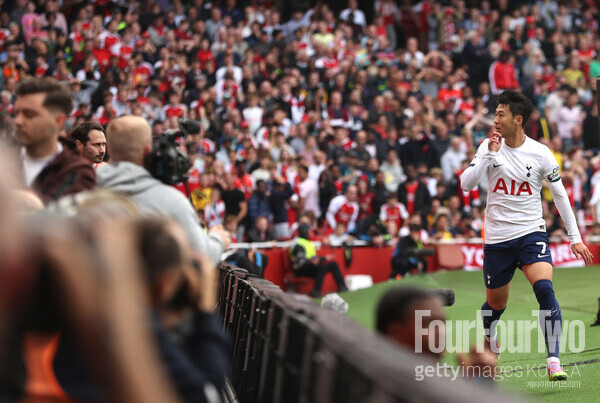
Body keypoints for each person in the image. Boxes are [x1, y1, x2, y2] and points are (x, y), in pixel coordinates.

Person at [461, 90, 594, 381]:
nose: (495, 119)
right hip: (497, 239)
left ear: (517, 119)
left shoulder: (541, 153)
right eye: (495, 113)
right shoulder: (487, 146)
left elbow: (560, 197)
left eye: (500, 114)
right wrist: (489, 156)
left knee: (545, 289)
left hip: (530, 233)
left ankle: (554, 360)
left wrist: (575, 237)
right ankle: (491, 338)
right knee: (495, 305)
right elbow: (466, 184)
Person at [96, 116, 230, 264]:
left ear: (108, 148)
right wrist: (218, 239)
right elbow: (202, 255)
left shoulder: (85, 189)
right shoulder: (170, 201)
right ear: (148, 149)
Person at [15, 77, 95, 204]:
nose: (18, 121)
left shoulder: (79, 174)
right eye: (16, 113)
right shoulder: (5, 163)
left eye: (29, 114)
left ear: (58, 121)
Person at [289, 223, 348, 298]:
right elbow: (301, 262)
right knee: (321, 268)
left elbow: (313, 258)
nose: (311, 233)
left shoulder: (307, 242)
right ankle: (315, 291)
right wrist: (314, 261)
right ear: (305, 232)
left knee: (333, 264)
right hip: (300, 269)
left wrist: (323, 258)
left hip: (309, 266)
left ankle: (342, 287)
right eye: (310, 231)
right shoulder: (298, 244)